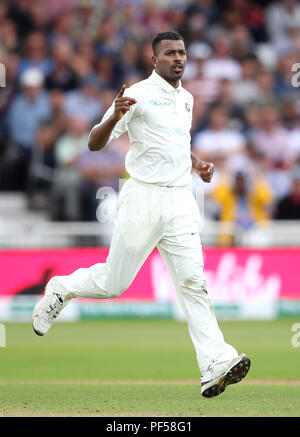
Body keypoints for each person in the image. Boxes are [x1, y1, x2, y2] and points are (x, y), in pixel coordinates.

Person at [32, 31, 251, 398]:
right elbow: (94, 143)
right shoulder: (136, 95)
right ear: (154, 60)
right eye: (169, 53)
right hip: (143, 199)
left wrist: (197, 164)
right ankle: (62, 287)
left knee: (194, 284)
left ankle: (215, 362)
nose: (177, 58)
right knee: (114, 284)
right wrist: (112, 116)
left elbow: (176, 144)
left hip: (180, 200)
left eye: (181, 52)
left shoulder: (187, 99)